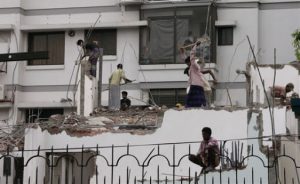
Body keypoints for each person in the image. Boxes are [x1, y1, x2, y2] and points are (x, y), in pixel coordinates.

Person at [180, 40, 207, 107]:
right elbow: (185, 59)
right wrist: (182, 52)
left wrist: (195, 46)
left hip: (196, 85)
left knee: (192, 101)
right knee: (193, 101)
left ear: (190, 62)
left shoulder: (194, 65)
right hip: (196, 85)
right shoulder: (190, 67)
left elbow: (191, 56)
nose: (187, 64)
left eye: (187, 63)